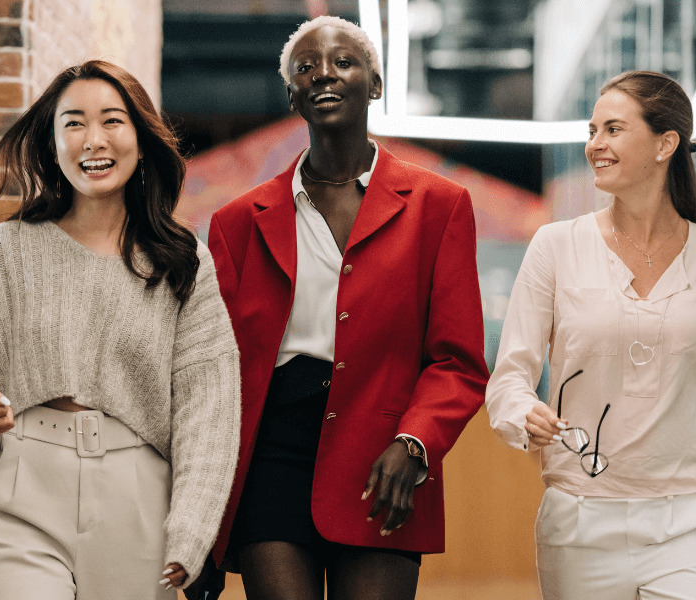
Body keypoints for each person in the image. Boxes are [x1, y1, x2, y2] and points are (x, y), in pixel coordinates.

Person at [201, 15, 489, 600]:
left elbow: (457, 362)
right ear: (291, 94)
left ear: (375, 85)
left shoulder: (440, 206)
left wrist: (416, 444)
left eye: (343, 62)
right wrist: (200, 513)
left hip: (386, 462)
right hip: (270, 458)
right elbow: (211, 373)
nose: (323, 75)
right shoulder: (236, 223)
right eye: (306, 67)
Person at [0, 60, 240, 599]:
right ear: (53, 144)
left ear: (142, 139)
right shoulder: (5, 250)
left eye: (111, 120)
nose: (92, 139)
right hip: (20, 487)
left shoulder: (182, 261)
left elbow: (208, 412)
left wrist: (193, 529)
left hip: (139, 503)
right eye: (73, 123)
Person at [485, 70, 696, 599]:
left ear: (665, 144)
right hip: (579, 523)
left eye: (613, 129)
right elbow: (510, 378)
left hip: (689, 523)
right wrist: (520, 413)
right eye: (592, 131)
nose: (595, 144)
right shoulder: (554, 246)